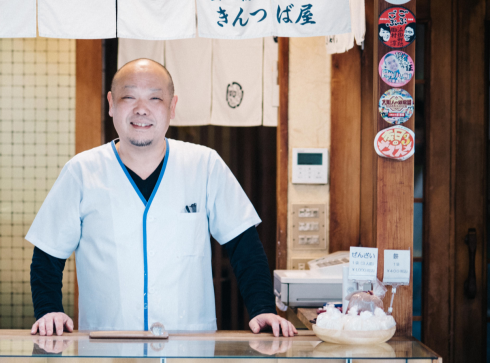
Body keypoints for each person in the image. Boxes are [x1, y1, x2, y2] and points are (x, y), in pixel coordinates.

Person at [25, 58, 297, 338]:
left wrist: (262, 307)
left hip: (188, 345)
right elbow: (48, 254)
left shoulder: (204, 165)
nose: (141, 109)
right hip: (106, 346)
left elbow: (243, 244)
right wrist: (48, 310)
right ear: (111, 103)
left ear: (172, 107)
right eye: (129, 97)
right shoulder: (81, 171)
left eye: (155, 98)